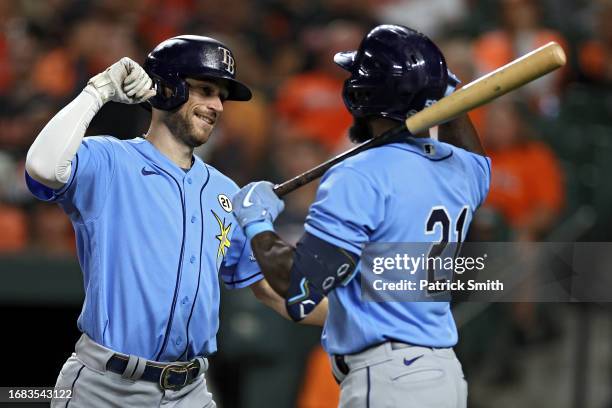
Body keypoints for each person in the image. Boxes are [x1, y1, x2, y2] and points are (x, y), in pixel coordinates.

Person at [25, 35, 325, 408]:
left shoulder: (225, 190)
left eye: (220, 95)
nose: (216, 105)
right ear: (166, 89)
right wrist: (97, 92)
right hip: (106, 387)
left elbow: (273, 290)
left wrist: (374, 313)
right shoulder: (110, 161)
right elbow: (42, 167)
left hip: (188, 391)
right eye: (204, 89)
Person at [232, 25, 490, 407]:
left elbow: (301, 285)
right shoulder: (463, 171)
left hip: (388, 377)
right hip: (444, 375)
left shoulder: (358, 173)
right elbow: (473, 153)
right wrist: (451, 96)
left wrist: (257, 224)